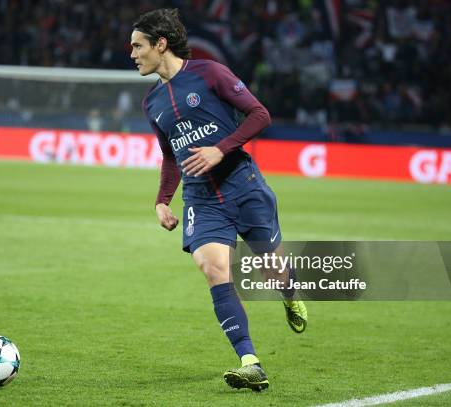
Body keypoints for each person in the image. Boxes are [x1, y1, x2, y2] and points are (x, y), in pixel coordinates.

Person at [131, 8, 307, 392]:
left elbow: (259, 115)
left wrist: (219, 149)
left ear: (161, 44)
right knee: (213, 269)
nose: (132, 53)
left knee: (272, 270)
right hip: (201, 197)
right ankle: (250, 362)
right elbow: (169, 155)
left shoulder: (210, 73)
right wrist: (163, 199)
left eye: (138, 45)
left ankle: (289, 294)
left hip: (243, 184)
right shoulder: (151, 103)